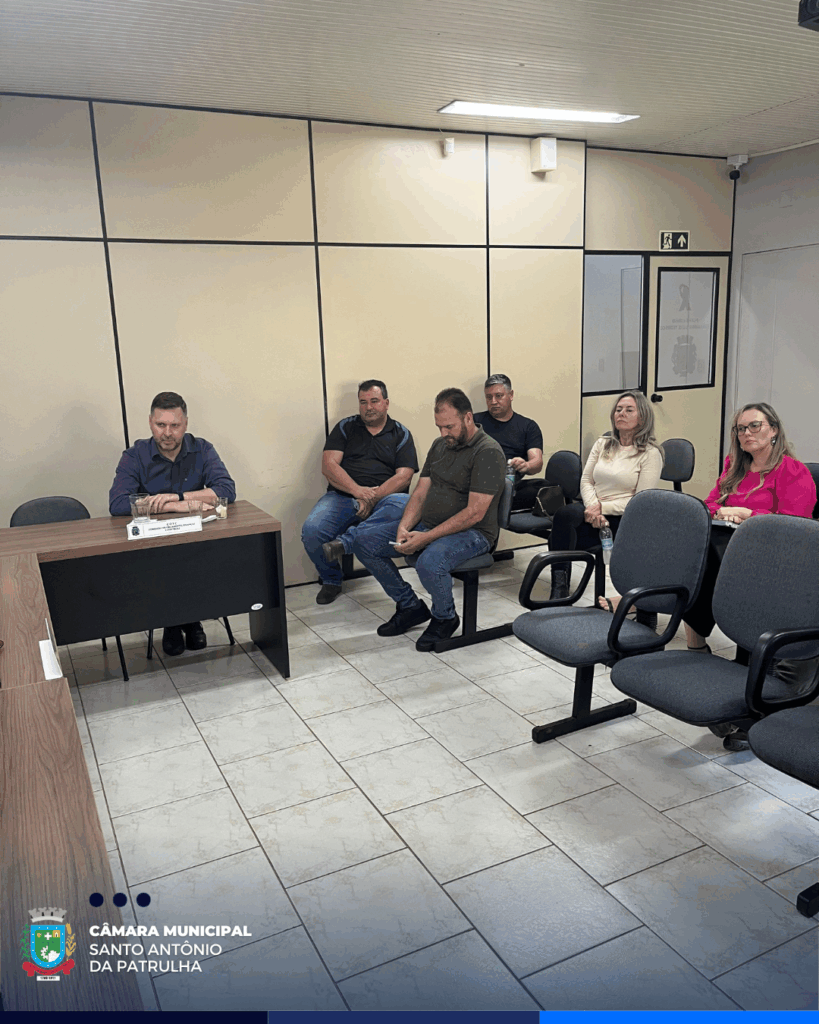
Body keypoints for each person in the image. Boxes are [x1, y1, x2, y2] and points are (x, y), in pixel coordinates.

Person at [352, 387, 506, 651]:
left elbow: (474, 513)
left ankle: (445, 617)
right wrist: (404, 527)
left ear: (468, 418)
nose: (443, 433)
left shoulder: (488, 451)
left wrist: (426, 538)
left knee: (429, 562)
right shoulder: (440, 445)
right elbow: (421, 492)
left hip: (474, 533)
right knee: (363, 541)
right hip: (430, 525)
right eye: (439, 427)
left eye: (449, 426)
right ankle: (410, 606)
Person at [108, 391, 236, 656]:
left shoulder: (202, 449)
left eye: (175, 425)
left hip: (196, 542)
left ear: (185, 424)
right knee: (166, 563)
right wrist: (174, 506)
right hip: (154, 547)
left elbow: (226, 491)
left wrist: (179, 497)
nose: (167, 433)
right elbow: (118, 503)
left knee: (196, 559)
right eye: (160, 425)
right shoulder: (135, 455)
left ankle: (191, 619)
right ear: (150, 423)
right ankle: (173, 623)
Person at [683, 402, 816, 654]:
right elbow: (709, 504)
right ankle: (695, 644)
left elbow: (795, 525)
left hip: (772, 548)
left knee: (701, 558)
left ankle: (694, 643)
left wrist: (747, 515)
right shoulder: (734, 465)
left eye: (754, 425)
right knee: (691, 548)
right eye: (740, 428)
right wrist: (723, 512)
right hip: (727, 541)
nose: (746, 433)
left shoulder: (793, 470)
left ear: (774, 429)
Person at [301, 380, 418, 605]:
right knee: (312, 530)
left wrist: (372, 498)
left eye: (374, 401)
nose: (368, 407)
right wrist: (358, 492)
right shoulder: (345, 427)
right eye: (363, 402)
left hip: (386, 500)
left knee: (406, 503)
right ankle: (331, 580)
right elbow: (329, 465)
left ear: (386, 403)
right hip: (343, 496)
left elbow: (404, 476)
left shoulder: (401, 433)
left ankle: (346, 541)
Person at [548, 390, 663, 601]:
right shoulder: (603, 444)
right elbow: (586, 480)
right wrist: (593, 507)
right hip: (592, 511)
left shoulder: (650, 453)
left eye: (629, 410)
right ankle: (559, 589)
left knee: (562, 537)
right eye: (618, 409)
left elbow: (641, 501)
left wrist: (603, 508)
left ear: (642, 418)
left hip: (623, 518)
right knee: (564, 515)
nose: (621, 414)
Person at [473, 373, 545, 511]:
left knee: (543, 487)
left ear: (511, 395)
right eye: (489, 397)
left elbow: (537, 462)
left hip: (509, 485)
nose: (493, 401)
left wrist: (526, 465)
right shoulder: (475, 423)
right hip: (478, 483)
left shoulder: (528, 426)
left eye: (499, 396)